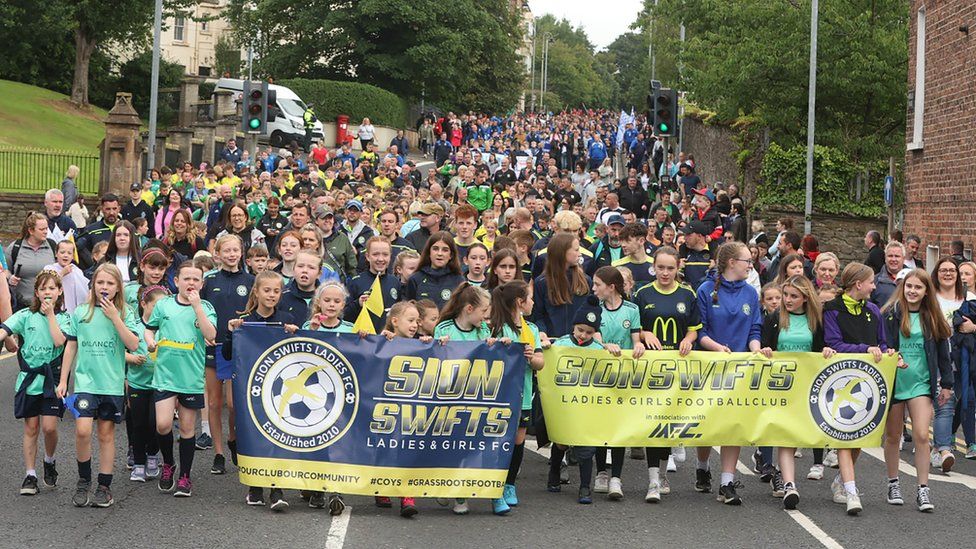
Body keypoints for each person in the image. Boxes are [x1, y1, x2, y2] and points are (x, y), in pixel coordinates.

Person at [56, 264, 141, 508]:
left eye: (110, 284)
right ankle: (84, 480)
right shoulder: (81, 312)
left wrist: (115, 318)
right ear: (93, 284)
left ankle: (104, 486)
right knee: (82, 430)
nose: (104, 287)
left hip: (112, 384)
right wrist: (63, 380)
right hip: (85, 382)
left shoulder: (126, 312)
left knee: (106, 434)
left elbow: (133, 345)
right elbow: (71, 346)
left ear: (118, 288)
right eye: (100, 282)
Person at [694, 241, 763, 505]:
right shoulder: (705, 290)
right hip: (711, 365)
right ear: (732, 263)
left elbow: (754, 328)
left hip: (740, 368)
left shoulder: (750, 293)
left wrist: (755, 349)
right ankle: (702, 466)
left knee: (733, 425)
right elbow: (700, 330)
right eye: (747, 261)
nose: (751, 265)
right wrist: (716, 348)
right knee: (709, 424)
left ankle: (727, 482)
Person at [823, 262, 894, 515]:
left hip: (868, 384)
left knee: (858, 439)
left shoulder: (874, 310)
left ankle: (841, 481)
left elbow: (882, 344)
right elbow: (834, 343)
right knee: (845, 438)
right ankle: (852, 492)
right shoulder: (832, 309)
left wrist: (890, 355)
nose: (875, 286)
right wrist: (865, 350)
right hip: (840, 383)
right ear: (858, 284)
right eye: (871, 282)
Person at [759, 275, 835, 509]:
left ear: (805, 297)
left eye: (794, 296)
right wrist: (765, 351)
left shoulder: (815, 321)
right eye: (786, 295)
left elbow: (822, 346)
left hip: (807, 385)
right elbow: (765, 345)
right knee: (785, 434)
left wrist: (827, 351)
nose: (788, 300)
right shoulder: (775, 318)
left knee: (795, 436)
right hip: (781, 386)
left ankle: (785, 476)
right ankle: (789, 484)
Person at [224, 271, 297, 511]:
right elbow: (227, 354)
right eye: (267, 290)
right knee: (253, 435)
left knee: (278, 436)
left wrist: (296, 332)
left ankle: (277, 489)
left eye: (276, 291)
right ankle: (255, 486)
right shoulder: (244, 321)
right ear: (256, 292)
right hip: (251, 390)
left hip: (278, 390)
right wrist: (231, 332)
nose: (272, 295)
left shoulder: (286, 318)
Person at [144, 261, 217, 498]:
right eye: (187, 279)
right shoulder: (164, 305)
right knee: (163, 425)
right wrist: (149, 340)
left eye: (196, 279)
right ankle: (168, 464)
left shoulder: (205, 307)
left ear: (202, 283)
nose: (191, 283)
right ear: (176, 281)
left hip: (191, 377)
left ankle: (185, 475)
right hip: (165, 375)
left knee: (186, 428)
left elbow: (211, 335)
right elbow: (149, 327)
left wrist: (197, 308)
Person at [882, 268, 953, 513]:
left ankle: (923, 489)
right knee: (893, 436)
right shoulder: (890, 314)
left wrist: (947, 384)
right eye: (909, 286)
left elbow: (944, 353)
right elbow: (882, 345)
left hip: (921, 384)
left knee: (922, 435)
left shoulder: (932, 317)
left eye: (918, 287)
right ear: (903, 288)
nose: (912, 291)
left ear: (926, 292)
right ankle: (893, 483)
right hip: (894, 383)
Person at [634, 247, 700, 501]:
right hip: (650, 369)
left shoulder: (687, 294)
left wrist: (688, 339)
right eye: (660, 267)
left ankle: (662, 475)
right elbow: (634, 328)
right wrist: (644, 334)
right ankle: (652, 481)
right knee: (653, 422)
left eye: (670, 268)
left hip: (678, 369)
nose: (665, 273)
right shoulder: (642, 293)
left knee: (669, 426)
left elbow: (694, 329)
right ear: (654, 267)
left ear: (678, 268)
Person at [0, 270, 70, 495]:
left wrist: (50, 315)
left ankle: (49, 460)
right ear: (37, 292)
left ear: (59, 292)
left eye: (52, 288)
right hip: (29, 379)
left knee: (49, 427)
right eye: (43, 289)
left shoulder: (64, 318)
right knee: (31, 427)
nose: (47, 292)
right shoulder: (25, 316)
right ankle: (30, 475)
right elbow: (5, 328)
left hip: (51, 379)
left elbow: (60, 341)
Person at [546, 296, 618, 504]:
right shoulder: (560, 344)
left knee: (586, 446)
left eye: (589, 332)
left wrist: (610, 350)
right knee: (561, 442)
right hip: (565, 404)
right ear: (573, 326)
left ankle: (585, 486)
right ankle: (554, 473)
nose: (583, 335)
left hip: (587, 407)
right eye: (580, 330)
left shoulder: (598, 350)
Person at [433, 283, 493, 515]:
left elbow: (491, 357)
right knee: (447, 446)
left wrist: (498, 347)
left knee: (465, 446)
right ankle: (442, 483)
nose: (486, 316)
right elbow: (435, 356)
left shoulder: (483, 332)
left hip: (474, 396)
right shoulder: (445, 328)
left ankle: (460, 494)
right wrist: (440, 346)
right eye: (483, 311)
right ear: (469, 309)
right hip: (448, 396)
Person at [487, 281, 543, 514]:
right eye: (529, 298)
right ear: (519, 303)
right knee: (498, 441)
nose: (533, 302)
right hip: (499, 396)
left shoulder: (532, 329)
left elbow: (540, 362)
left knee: (517, 442)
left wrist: (531, 356)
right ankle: (493, 489)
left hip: (524, 395)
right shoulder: (496, 328)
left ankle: (509, 485)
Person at [201, 235, 254, 475]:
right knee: (213, 402)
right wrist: (202, 331)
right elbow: (200, 311)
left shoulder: (251, 280)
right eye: (227, 251)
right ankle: (219, 453)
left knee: (234, 404)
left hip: (238, 348)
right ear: (218, 254)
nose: (232, 254)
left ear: (241, 253)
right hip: (214, 345)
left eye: (236, 250)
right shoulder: (209, 281)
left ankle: (233, 438)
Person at [591, 266, 644, 499]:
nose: (594, 289)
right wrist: (604, 346)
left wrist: (640, 344)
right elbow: (594, 336)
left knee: (619, 428)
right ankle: (601, 472)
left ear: (611, 287)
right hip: (600, 375)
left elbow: (635, 338)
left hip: (623, 377)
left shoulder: (632, 310)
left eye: (597, 284)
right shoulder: (595, 309)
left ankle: (616, 478)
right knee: (602, 425)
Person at [125, 285, 169, 483]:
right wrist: (131, 359)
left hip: (160, 384)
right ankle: (139, 463)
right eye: (156, 305)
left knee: (155, 423)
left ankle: (153, 455)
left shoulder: (167, 327)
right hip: (137, 383)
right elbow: (119, 350)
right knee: (139, 423)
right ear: (144, 304)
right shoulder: (134, 325)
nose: (160, 310)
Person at [531, 233, 593, 338]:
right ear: (562, 252)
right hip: (553, 343)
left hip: (579, 342)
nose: (580, 254)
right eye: (576, 250)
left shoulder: (586, 280)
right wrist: (541, 332)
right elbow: (538, 315)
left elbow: (591, 312)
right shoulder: (542, 282)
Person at [6, 212, 56, 309]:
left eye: (46, 228)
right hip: (21, 305)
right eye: (42, 229)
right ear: (31, 231)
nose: (45, 232)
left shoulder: (52, 245)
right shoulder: (15, 247)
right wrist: (10, 278)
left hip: (48, 305)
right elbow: (5, 270)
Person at [403, 231, 464, 309]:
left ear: (451, 255)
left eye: (445, 250)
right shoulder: (415, 279)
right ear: (429, 252)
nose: (440, 253)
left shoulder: (458, 280)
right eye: (435, 249)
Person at [76, 194, 122, 268]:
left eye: (114, 209)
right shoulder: (91, 230)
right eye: (108, 209)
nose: (111, 212)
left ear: (119, 209)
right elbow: (83, 254)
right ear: (102, 209)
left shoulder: (127, 229)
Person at [871, 241, 908, 307]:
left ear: (903, 259)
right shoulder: (874, 282)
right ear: (885, 258)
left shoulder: (913, 280)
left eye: (897, 256)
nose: (893, 259)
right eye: (890, 256)